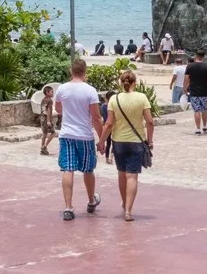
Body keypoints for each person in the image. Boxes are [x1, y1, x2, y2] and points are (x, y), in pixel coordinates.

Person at [98, 70, 154, 222]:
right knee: (132, 176)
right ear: (134, 82)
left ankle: (124, 206)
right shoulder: (142, 98)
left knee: (122, 174)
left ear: (120, 83)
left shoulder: (113, 99)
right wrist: (150, 140)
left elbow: (109, 124)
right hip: (137, 141)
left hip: (118, 142)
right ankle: (129, 210)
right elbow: (150, 121)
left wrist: (101, 141)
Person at [54, 59, 104, 221]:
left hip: (67, 134)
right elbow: (96, 117)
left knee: (68, 169)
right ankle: (91, 201)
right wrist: (102, 139)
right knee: (88, 169)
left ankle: (68, 207)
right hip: (84, 135)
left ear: (71, 71)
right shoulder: (90, 91)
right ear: (85, 71)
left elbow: (58, 108)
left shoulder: (62, 89)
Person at [184, 48, 207, 134]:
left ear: (196, 56)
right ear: (203, 57)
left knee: (196, 110)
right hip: (204, 92)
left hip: (194, 91)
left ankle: (198, 128)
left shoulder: (190, 66)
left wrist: (185, 89)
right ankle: (204, 126)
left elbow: (186, 79)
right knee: (204, 109)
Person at [100, 90, 116, 164]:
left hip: (106, 126)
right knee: (114, 142)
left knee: (108, 143)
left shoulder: (103, 106)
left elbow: (103, 116)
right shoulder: (114, 106)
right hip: (114, 126)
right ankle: (111, 157)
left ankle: (106, 159)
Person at [40, 85, 56, 156]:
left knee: (44, 134)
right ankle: (44, 146)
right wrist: (48, 120)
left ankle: (42, 149)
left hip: (42, 118)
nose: (53, 93)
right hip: (46, 118)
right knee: (53, 133)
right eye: (51, 92)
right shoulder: (50, 100)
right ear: (47, 92)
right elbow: (49, 111)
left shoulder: (43, 100)